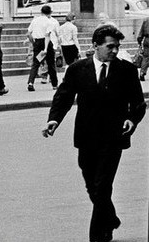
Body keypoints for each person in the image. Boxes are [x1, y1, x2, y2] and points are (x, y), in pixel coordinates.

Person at [43, 23, 146, 242]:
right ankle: (109, 218)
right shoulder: (78, 69)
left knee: (102, 185)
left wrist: (131, 119)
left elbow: (138, 103)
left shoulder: (126, 71)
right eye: (110, 46)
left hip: (114, 138)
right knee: (92, 184)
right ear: (95, 46)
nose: (115, 51)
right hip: (86, 137)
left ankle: (98, 235)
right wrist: (54, 119)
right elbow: (64, 96)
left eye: (117, 46)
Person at [27, 4, 61, 92]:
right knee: (51, 64)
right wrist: (45, 48)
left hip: (37, 42)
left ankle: (30, 82)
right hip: (46, 43)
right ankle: (54, 84)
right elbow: (47, 35)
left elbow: (28, 34)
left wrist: (33, 43)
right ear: (49, 13)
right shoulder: (49, 22)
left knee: (36, 63)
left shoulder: (35, 21)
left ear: (41, 12)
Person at [137, 15, 149, 82]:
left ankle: (142, 73)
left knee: (146, 57)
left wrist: (139, 41)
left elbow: (141, 33)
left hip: (147, 40)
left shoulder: (146, 20)